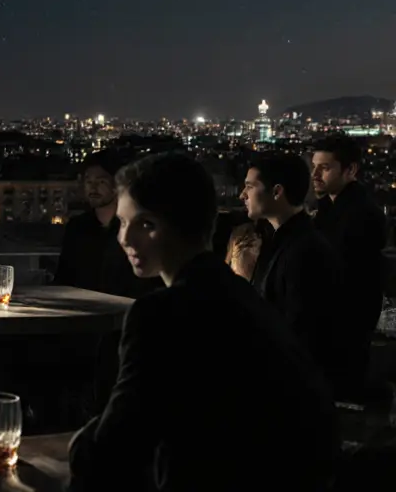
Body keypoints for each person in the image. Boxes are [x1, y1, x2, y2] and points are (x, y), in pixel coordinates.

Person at [68, 153, 338, 492]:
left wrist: (82, 443)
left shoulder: (161, 312)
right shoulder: (239, 293)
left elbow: (112, 449)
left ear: (181, 225)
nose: (125, 238)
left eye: (145, 224)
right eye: (122, 223)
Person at [242, 152, 345, 392]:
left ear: (277, 192)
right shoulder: (288, 241)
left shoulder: (305, 251)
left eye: (249, 186)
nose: (242, 195)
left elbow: (300, 335)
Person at [311, 135, 387, 400]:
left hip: (345, 329)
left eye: (325, 167)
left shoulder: (361, 216)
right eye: (314, 167)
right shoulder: (330, 208)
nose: (315, 175)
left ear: (350, 170)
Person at [57, 151, 162, 299]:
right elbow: (64, 277)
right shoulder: (77, 227)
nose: (93, 188)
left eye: (101, 182)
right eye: (88, 181)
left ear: (116, 185)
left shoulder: (133, 229)